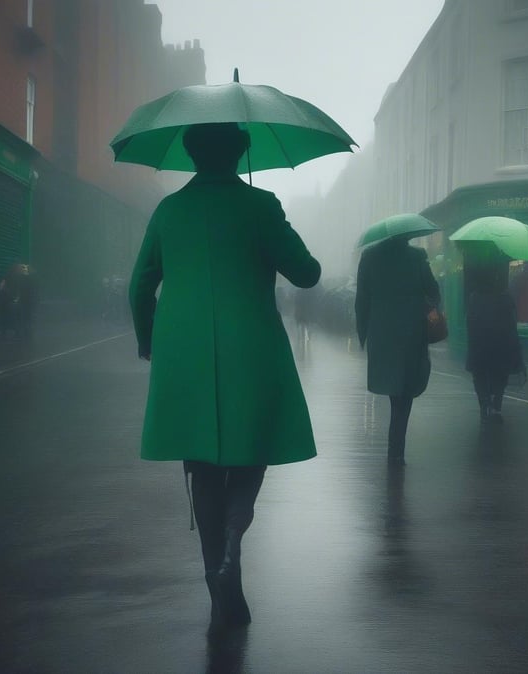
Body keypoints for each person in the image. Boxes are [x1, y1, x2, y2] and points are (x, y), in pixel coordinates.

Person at [128, 122, 321, 635]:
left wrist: (150, 341)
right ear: (241, 153)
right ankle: (233, 545)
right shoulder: (261, 206)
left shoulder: (169, 210)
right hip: (251, 348)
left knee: (204, 467)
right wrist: (268, 230)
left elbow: (139, 286)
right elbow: (307, 273)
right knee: (252, 452)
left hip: (183, 352)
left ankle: (219, 580)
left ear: (192, 155)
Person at [354, 234, 440, 465]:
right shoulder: (417, 256)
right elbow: (432, 289)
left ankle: (395, 446)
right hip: (411, 330)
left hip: (382, 332)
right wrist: (429, 306)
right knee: (406, 388)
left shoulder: (369, 257)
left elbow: (362, 298)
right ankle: (396, 447)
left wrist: (363, 332)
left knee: (394, 388)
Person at [465, 264, 525, 424]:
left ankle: (484, 405)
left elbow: (470, 323)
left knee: (480, 376)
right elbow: (512, 324)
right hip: (501, 345)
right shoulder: (505, 298)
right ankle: (496, 406)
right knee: (500, 376)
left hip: (480, 345)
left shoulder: (474, 297)